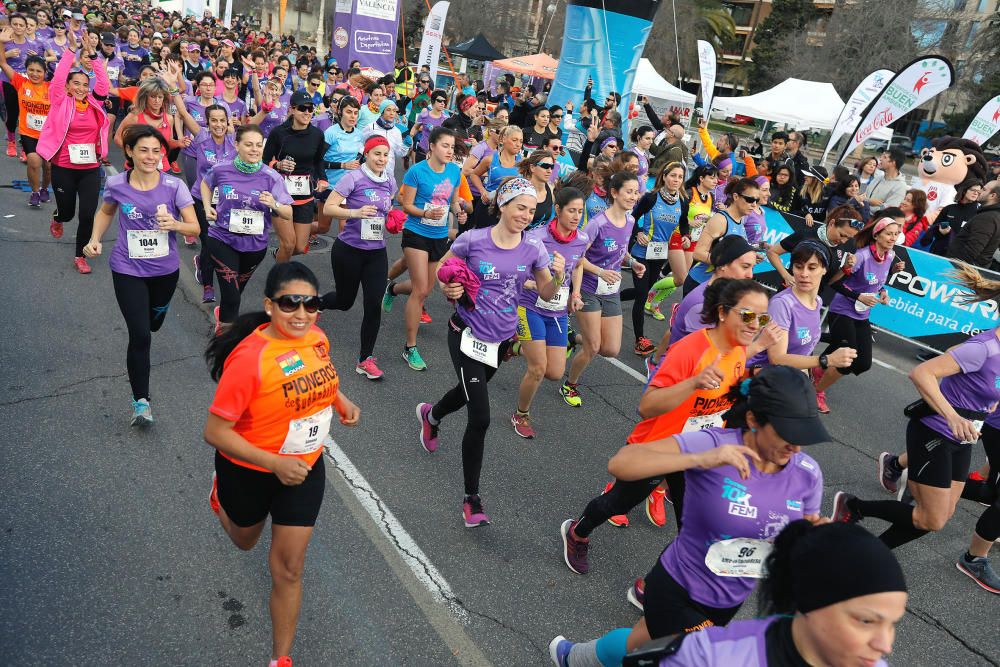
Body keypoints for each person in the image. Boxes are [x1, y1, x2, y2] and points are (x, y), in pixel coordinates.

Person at [552, 365, 828, 667]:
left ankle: (574, 657)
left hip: (729, 598)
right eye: (787, 434)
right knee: (698, 660)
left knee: (640, 642)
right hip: (678, 585)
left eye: (804, 435)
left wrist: (813, 540)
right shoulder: (714, 445)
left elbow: (796, 538)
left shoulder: (807, 475)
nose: (797, 445)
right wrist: (699, 459)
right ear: (753, 420)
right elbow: (621, 463)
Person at [203, 261, 360, 667]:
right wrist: (274, 463)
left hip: (304, 467)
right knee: (245, 541)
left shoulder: (317, 338)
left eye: (311, 305)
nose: (302, 314)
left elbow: (323, 374)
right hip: (249, 470)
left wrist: (340, 401)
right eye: (291, 304)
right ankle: (218, 494)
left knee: (288, 569)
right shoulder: (250, 360)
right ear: (270, 305)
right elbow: (216, 432)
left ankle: (280, 660)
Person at [415, 177, 565, 526]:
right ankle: (472, 499)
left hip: (500, 340)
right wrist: (449, 287)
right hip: (466, 334)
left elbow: (545, 292)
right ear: (503, 205)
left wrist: (557, 276)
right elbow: (443, 271)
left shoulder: (534, 249)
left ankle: (431, 416)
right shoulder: (473, 239)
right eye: (520, 207)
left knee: (467, 393)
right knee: (480, 415)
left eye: (531, 209)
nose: (526, 215)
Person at [833, 267, 1000, 578]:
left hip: (963, 439)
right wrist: (952, 414)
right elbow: (921, 373)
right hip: (934, 431)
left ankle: (855, 514)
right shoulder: (985, 348)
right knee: (932, 519)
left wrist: (987, 404)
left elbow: (957, 356)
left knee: (941, 514)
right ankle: (862, 542)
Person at [592, 521, 908, 667]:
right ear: (809, 599)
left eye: (892, 624)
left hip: (724, 600)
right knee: (640, 640)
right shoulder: (710, 657)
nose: (886, 647)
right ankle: (577, 655)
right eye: (867, 621)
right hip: (680, 583)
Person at [82, 124, 200, 425]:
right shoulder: (118, 184)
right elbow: (106, 212)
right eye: (143, 150)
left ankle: (157, 313)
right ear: (130, 152)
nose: (150, 156)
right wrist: (95, 239)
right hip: (127, 268)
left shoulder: (174, 186)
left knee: (154, 322)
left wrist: (174, 225)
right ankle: (141, 402)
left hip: (165, 271)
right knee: (140, 335)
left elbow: (194, 227)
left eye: (156, 151)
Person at [511, 187, 591, 439]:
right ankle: (521, 414)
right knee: (538, 368)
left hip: (556, 311)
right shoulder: (536, 237)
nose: (576, 216)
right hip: (530, 305)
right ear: (558, 210)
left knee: (554, 373)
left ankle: (511, 348)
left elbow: (577, 265)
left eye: (580, 211)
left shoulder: (581, 239)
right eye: (571, 211)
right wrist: (532, 284)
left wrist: (575, 294)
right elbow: (516, 271)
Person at [384, 126, 465, 371]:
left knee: (428, 289)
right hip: (416, 232)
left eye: (452, 147)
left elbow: (453, 202)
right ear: (431, 146)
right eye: (445, 146)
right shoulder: (417, 172)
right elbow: (406, 205)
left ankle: (394, 288)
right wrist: (425, 212)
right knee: (420, 290)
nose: (450, 151)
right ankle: (410, 347)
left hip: (439, 235)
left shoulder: (454, 171)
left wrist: (459, 211)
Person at [561, 171, 645, 407]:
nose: (633, 196)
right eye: (628, 191)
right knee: (593, 346)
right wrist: (599, 271)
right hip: (588, 288)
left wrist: (632, 262)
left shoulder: (630, 221)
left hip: (611, 290)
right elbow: (578, 257)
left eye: (636, 192)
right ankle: (570, 384)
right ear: (614, 193)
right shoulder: (597, 224)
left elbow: (621, 251)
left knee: (610, 349)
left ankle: (572, 339)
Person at [202, 124, 294, 334]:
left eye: (258, 145)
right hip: (222, 238)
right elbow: (206, 185)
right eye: (249, 144)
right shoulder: (221, 169)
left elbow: (288, 213)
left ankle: (223, 313)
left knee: (235, 291)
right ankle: (225, 342)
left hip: (254, 245)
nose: (254, 149)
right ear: (237, 145)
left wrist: (274, 204)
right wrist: (208, 207)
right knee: (233, 296)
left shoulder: (272, 178)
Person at [319, 136, 396, 380]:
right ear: (367, 154)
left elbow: (387, 209)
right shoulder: (353, 177)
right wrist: (355, 212)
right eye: (377, 154)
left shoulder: (390, 181)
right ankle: (316, 304)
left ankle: (365, 359)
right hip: (349, 250)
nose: (381, 159)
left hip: (376, 252)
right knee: (344, 301)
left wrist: (394, 219)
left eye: (385, 155)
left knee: (373, 304)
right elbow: (329, 207)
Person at [814, 217, 902, 413]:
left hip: (861, 315)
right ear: (876, 235)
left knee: (862, 364)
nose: (893, 238)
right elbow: (834, 283)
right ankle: (815, 391)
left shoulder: (889, 256)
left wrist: (883, 292)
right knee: (847, 360)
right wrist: (858, 296)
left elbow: (879, 281)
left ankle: (818, 368)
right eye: (888, 233)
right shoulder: (861, 256)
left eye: (896, 234)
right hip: (842, 310)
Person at [37, 41, 111, 274]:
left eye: (84, 84)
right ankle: (58, 217)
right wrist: (71, 50)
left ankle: (80, 256)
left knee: (88, 214)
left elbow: (104, 83)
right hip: (64, 167)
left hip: (90, 168)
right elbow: (58, 78)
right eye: (76, 84)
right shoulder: (60, 100)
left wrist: (92, 55)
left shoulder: (94, 103)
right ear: (68, 87)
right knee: (68, 213)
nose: (80, 88)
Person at [647, 236, 760, 382]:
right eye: (745, 267)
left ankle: (654, 362)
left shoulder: (724, 294)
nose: (750, 275)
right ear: (723, 264)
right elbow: (711, 358)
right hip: (677, 383)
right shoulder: (702, 304)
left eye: (752, 267)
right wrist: (760, 345)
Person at [749, 240, 858, 373]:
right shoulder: (782, 304)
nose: (804, 274)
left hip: (788, 378)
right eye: (798, 266)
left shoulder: (817, 301)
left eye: (812, 267)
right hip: (761, 380)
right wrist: (826, 360)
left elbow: (804, 352)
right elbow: (777, 359)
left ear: (824, 269)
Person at [176, 102, 236, 303]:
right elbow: (183, 112)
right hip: (202, 200)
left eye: (222, 120)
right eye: (214, 121)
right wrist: (174, 88)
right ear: (207, 123)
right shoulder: (202, 138)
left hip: (227, 202)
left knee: (224, 243)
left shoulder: (235, 141)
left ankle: (201, 262)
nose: (218, 124)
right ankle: (208, 287)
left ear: (228, 122)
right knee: (209, 243)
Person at [264, 89, 329, 260]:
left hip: (304, 197)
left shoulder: (317, 135)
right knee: (288, 244)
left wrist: (322, 178)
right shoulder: (278, 133)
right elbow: (263, 162)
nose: (307, 112)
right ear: (292, 109)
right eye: (302, 108)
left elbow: (318, 161)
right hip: (281, 196)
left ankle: (279, 255)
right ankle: (279, 283)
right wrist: (277, 164)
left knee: (299, 247)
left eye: (310, 108)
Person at [628, 162, 686, 334]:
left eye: (680, 177)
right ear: (664, 176)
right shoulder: (651, 197)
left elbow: (684, 225)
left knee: (643, 291)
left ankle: (612, 298)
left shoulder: (683, 202)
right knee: (641, 297)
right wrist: (638, 232)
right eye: (673, 175)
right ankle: (640, 339)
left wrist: (686, 237)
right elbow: (632, 217)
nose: (676, 180)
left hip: (660, 254)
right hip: (641, 252)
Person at [766, 204, 865, 292]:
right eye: (842, 235)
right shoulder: (806, 235)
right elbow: (772, 252)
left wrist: (845, 268)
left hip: (812, 303)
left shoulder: (841, 249)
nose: (844, 241)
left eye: (849, 238)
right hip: (788, 295)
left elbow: (828, 282)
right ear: (831, 223)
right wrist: (786, 275)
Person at [684, 177, 758, 293]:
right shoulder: (720, 220)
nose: (754, 205)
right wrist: (728, 263)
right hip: (700, 283)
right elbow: (698, 253)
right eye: (750, 199)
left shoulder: (740, 221)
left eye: (756, 200)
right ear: (736, 197)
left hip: (720, 287)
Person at [0, 38, 49, 207]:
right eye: (31, 70)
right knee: (34, 162)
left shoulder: (51, 88)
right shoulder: (21, 83)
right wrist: (1, 42)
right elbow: (2, 62)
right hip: (29, 133)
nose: (35, 74)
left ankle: (44, 188)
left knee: (48, 166)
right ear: (26, 71)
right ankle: (35, 192)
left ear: (45, 73)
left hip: (49, 134)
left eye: (38, 71)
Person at [669, 164, 718, 286]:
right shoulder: (690, 193)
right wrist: (689, 222)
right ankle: (652, 295)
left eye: (716, 178)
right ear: (701, 179)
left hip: (694, 240)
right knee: (681, 278)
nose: (715, 181)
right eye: (711, 178)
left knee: (682, 280)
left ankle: (653, 300)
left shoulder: (711, 197)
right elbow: (674, 214)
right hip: (678, 235)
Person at [468, 124, 523, 228]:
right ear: (503, 139)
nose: (518, 144)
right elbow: (474, 175)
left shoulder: (523, 162)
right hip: (489, 209)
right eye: (514, 140)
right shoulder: (490, 159)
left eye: (520, 141)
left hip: (510, 211)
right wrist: (482, 191)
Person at [919, 182, 982, 256]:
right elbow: (934, 229)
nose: (975, 193)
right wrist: (940, 232)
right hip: (939, 251)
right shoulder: (949, 208)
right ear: (964, 190)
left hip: (960, 255)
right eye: (973, 190)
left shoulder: (979, 213)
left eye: (978, 192)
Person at [947, 180, 1000, 268]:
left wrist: (953, 268)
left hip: (960, 272)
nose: (979, 191)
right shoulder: (991, 215)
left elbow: (972, 251)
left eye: (984, 189)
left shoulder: (987, 218)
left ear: (992, 195)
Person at [360, 98, 408, 175]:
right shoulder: (370, 127)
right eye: (388, 110)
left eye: (394, 110)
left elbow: (399, 153)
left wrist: (406, 146)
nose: (392, 113)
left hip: (388, 172)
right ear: (382, 112)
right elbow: (360, 145)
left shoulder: (397, 132)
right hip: (370, 170)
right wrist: (367, 157)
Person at [519, 149, 555, 230]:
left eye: (552, 167)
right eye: (545, 166)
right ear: (532, 167)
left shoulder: (550, 189)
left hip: (535, 240)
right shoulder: (520, 188)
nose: (549, 171)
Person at [410, 89, 448, 162]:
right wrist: (411, 138)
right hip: (422, 152)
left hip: (437, 154)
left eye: (444, 101)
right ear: (433, 101)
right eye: (439, 101)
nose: (442, 103)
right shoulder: (424, 115)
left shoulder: (446, 119)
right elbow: (415, 127)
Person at [629, 125, 654, 195]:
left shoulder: (645, 155)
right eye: (648, 138)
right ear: (639, 138)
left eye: (652, 138)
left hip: (640, 193)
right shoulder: (632, 154)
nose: (651, 141)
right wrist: (639, 178)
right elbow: (624, 174)